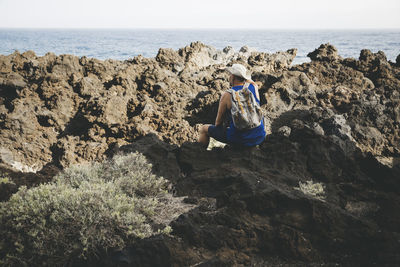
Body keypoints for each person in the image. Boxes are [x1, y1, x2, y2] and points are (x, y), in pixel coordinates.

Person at [198, 63, 266, 147]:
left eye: (230, 74)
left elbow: (218, 123)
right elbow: (249, 81)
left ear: (232, 77)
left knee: (204, 129)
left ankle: (200, 154)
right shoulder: (254, 87)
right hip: (259, 136)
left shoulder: (227, 95)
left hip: (239, 140)